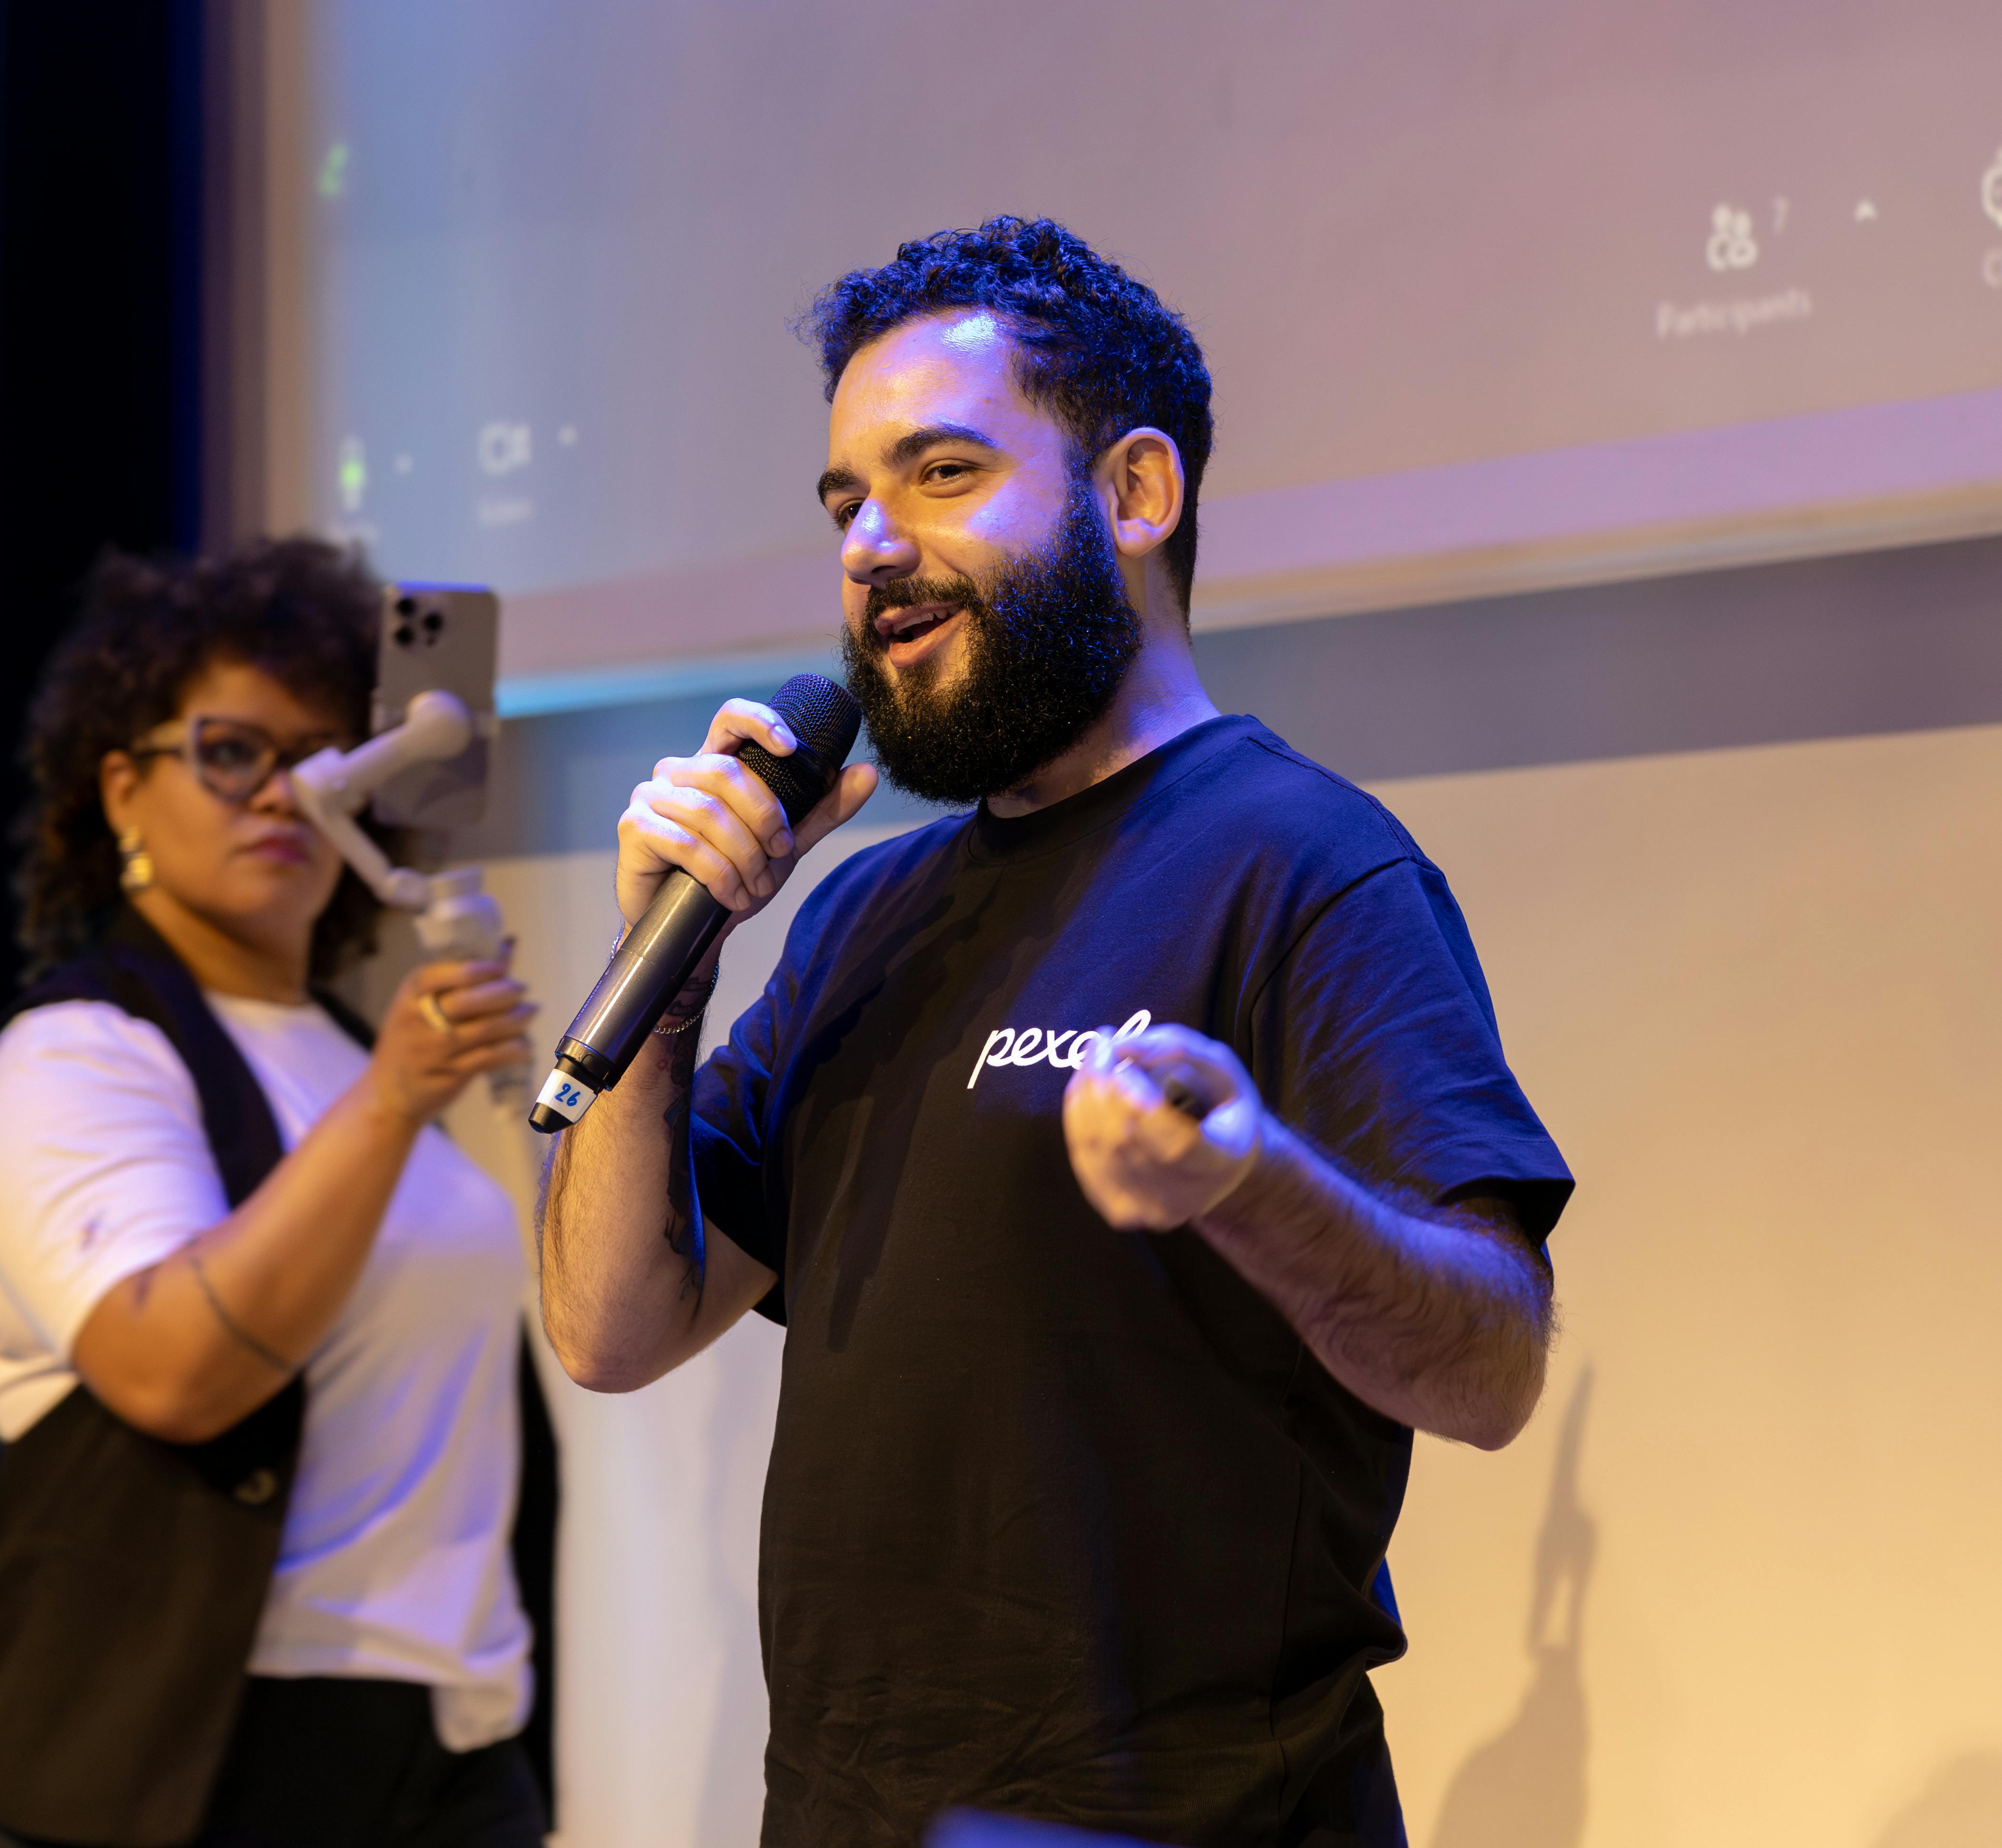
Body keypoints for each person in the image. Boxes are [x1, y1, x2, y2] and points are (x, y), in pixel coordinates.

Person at [538, 217, 1573, 1847]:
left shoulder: (1304, 864)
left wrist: (1250, 1183)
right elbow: (613, 1328)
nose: (871, 543)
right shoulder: (860, 917)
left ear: (1136, 496)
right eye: (844, 501)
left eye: (941, 475)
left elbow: (1496, 1363)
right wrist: (668, 971)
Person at [0, 541, 549, 1848]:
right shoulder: (79, 1054)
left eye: (324, 756)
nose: (289, 793)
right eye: (230, 752)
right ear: (122, 790)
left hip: (448, 1740)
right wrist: (392, 1099)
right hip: (192, 1756)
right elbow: (173, 1371)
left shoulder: (339, 1044)